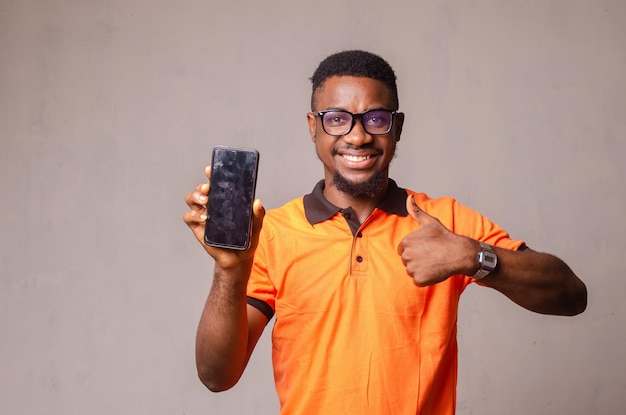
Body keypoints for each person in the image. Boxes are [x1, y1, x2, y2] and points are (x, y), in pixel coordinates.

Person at [183, 50, 587, 415]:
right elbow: (217, 376)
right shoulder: (272, 233)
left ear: (397, 127)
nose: (357, 136)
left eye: (375, 119)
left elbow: (571, 295)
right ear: (313, 127)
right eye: (337, 119)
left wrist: (472, 256)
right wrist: (230, 270)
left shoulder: (441, 221)